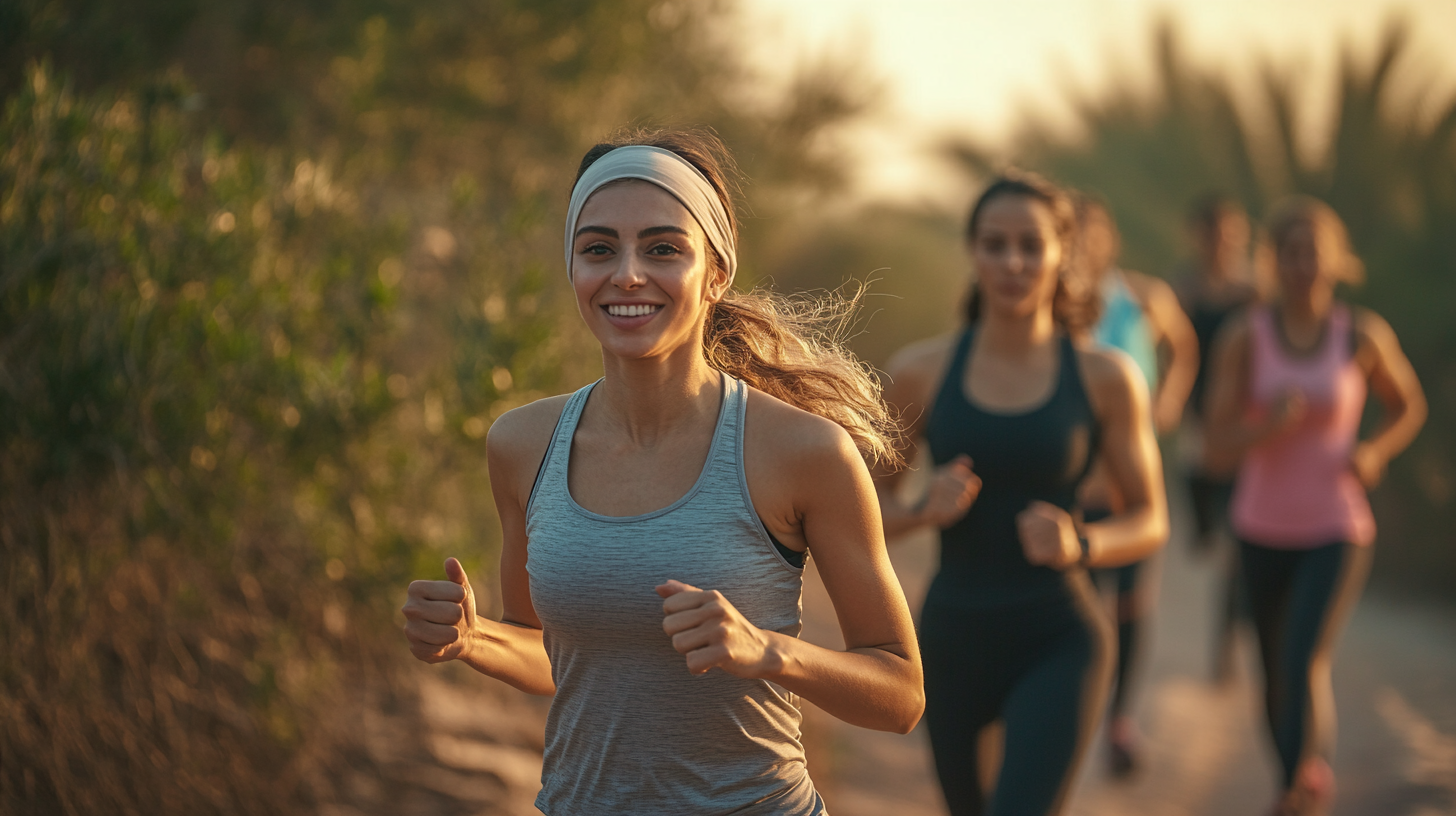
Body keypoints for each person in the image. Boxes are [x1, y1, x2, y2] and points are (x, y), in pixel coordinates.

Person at [401, 129, 925, 815]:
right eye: (598, 249)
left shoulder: (804, 453)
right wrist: (475, 640)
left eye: (662, 249)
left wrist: (768, 651)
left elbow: (902, 694)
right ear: (572, 269)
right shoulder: (523, 444)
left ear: (716, 273)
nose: (626, 274)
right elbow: (548, 655)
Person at [876, 171, 1169, 816]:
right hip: (952, 636)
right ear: (972, 251)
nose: (1012, 262)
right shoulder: (920, 372)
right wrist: (924, 510)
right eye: (994, 243)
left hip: (1059, 637)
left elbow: (1150, 519)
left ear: (1064, 254)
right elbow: (865, 515)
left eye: (1031, 246)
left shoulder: (1105, 377)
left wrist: (1081, 541)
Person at [1204, 196, 1426, 816]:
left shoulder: (1361, 334)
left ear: (1337, 261)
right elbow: (1216, 443)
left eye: (1315, 254)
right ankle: (1299, 774)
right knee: (1273, 669)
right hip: (1259, 525)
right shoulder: (1246, 336)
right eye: (1291, 253)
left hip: (1338, 524)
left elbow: (1408, 405)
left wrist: (1376, 452)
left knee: (1303, 654)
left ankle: (1294, 790)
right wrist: (1264, 428)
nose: (1303, 265)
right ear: (1274, 261)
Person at [1074, 195, 1198, 777]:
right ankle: (1076, 715)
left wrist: (1170, 398)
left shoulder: (1146, 298)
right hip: (1073, 480)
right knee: (1079, 606)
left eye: (1089, 231)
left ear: (1109, 239)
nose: (1080, 242)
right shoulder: (1055, 309)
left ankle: (1120, 721)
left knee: (1130, 606)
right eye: (1068, 232)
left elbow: (1185, 348)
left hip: (1133, 474)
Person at [1174, 194, 1262, 683]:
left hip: (1246, 429)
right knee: (1208, 535)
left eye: (1232, 231)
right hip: (1198, 425)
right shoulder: (1182, 290)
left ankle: (1226, 644)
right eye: (1214, 232)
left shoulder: (1255, 293)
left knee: (1235, 544)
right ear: (1200, 235)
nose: (1223, 241)